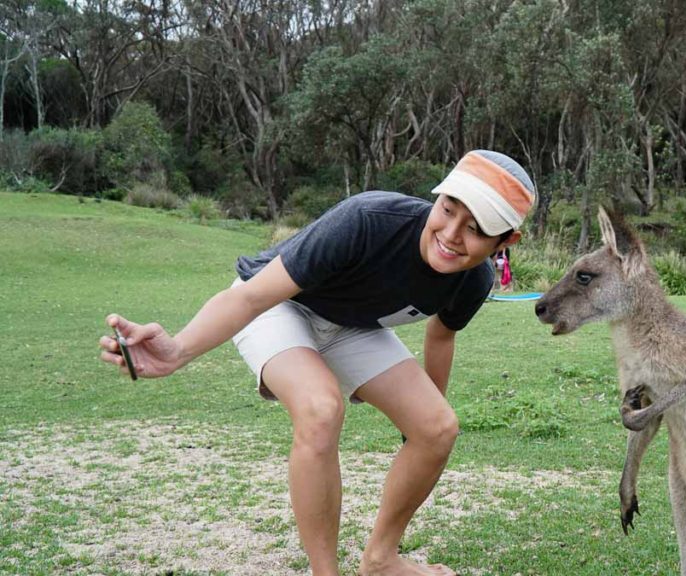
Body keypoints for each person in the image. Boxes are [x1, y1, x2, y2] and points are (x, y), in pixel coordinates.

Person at [98, 150, 535, 576]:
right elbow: (250, 297)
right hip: (279, 306)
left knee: (438, 428)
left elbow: (441, 335)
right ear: (436, 197)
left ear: (506, 241)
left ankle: (381, 560)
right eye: (448, 209)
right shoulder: (368, 221)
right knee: (321, 409)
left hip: (353, 326)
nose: (452, 233)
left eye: (476, 229)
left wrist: (418, 421)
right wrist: (177, 351)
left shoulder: (473, 280)